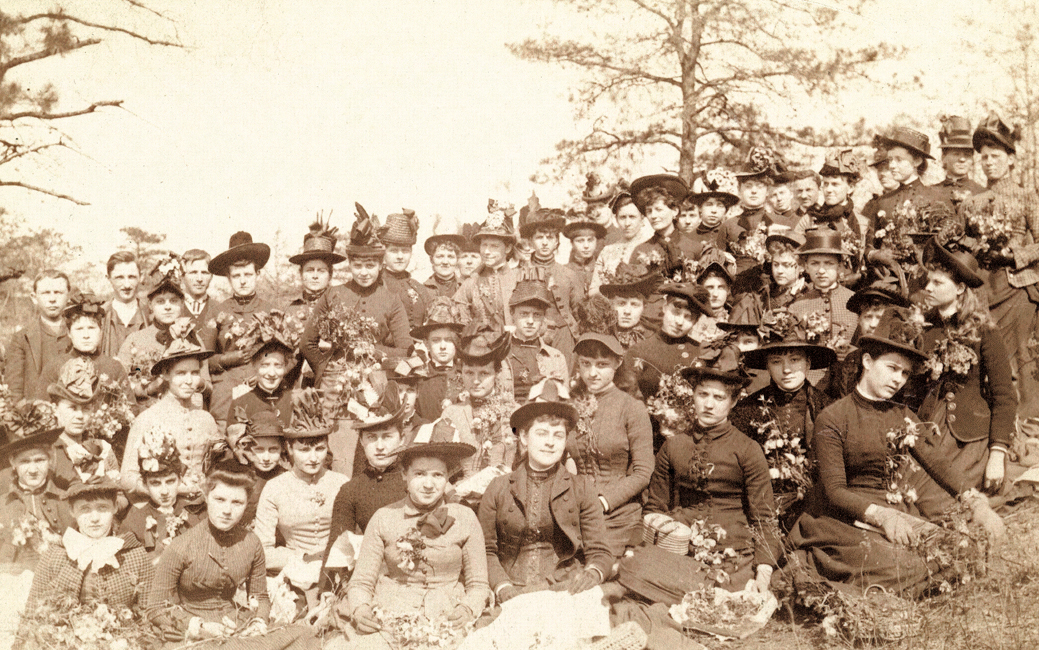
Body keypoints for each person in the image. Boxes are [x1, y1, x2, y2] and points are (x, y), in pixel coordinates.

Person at [787, 307, 1005, 594]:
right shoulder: (834, 417)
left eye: (904, 373)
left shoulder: (902, 415)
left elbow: (937, 462)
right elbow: (835, 490)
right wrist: (881, 516)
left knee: (961, 550)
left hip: (894, 512)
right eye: (891, 368)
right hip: (841, 520)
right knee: (904, 563)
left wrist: (974, 501)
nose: (898, 379)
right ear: (867, 361)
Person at [617, 348, 780, 605]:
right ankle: (708, 595)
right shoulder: (674, 446)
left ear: (733, 402)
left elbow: (764, 516)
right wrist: (632, 547)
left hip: (732, 552)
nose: (709, 403)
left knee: (730, 579)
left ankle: (705, 592)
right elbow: (656, 507)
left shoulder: (748, 449)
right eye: (702, 394)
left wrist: (764, 570)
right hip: (680, 548)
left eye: (719, 397)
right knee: (632, 566)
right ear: (692, 395)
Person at [145, 451, 316, 646]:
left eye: (237, 502)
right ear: (207, 497)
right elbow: (156, 608)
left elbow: (259, 596)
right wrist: (199, 628)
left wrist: (259, 621)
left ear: (246, 504)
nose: (227, 511)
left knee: (305, 635)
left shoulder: (251, 543)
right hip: (193, 632)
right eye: (220, 500)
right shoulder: (181, 546)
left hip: (235, 624)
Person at [334, 441, 489, 648]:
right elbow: (362, 581)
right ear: (404, 475)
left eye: (437, 475)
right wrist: (361, 609)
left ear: (447, 478)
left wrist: (467, 609)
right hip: (391, 614)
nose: (428, 484)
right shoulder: (384, 518)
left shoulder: (465, 517)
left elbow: (478, 584)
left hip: (448, 613)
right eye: (419, 474)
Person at [905, 240, 1016, 516]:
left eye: (938, 283)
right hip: (930, 430)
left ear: (960, 288)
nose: (927, 288)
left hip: (970, 437)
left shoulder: (984, 331)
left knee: (943, 502)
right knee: (913, 497)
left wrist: (997, 454)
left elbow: (1005, 396)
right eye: (928, 281)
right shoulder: (921, 329)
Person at [479, 378, 614, 602]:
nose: (550, 443)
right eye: (541, 433)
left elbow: (600, 550)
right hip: (512, 588)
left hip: (565, 587)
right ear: (524, 437)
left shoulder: (581, 488)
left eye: (558, 435)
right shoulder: (499, 488)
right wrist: (502, 586)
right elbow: (486, 550)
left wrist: (592, 573)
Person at [962, 112, 1039, 438]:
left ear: (1010, 159)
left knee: (1021, 357)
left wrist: (1013, 255)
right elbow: (961, 245)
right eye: (984, 158)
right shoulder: (971, 201)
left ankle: (1028, 428)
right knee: (987, 357)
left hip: (1017, 287)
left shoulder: (1026, 196)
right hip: (982, 290)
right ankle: (994, 428)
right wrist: (974, 247)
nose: (989, 163)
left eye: (996, 157)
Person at [729, 311, 836, 529]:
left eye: (795, 360)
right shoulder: (746, 410)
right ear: (767, 367)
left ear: (808, 364)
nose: (786, 370)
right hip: (759, 504)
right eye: (777, 362)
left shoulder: (829, 408)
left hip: (814, 507)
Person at [254, 387, 348, 608]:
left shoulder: (342, 482)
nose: (314, 458)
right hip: (294, 573)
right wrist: (298, 561)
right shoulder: (275, 487)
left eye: (320, 448)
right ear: (289, 449)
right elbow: (262, 550)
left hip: (339, 570)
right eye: (304, 450)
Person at [301, 207, 413, 390]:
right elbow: (307, 343)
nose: (363, 272)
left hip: (376, 381)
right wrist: (326, 369)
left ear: (379, 266)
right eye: (357, 265)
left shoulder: (391, 299)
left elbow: (405, 349)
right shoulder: (333, 294)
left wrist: (373, 351)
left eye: (370, 266)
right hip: (334, 382)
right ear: (350, 265)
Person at [567, 335, 654, 557]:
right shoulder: (570, 404)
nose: (592, 373)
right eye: (585, 363)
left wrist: (605, 501)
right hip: (575, 509)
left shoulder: (632, 408)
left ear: (617, 363)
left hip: (617, 513)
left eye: (602, 365)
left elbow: (643, 472)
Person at [22, 478, 153, 616]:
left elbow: (149, 613)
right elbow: (32, 613)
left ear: (115, 507)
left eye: (103, 508)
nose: (94, 518)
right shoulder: (55, 554)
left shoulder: (135, 554)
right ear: (71, 510)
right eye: (85, 509)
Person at [121, 328, 220, 499]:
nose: (189, 381)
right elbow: (127, 478)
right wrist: (166, 491)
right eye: (181, 373)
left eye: (195, 373)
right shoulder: (147, 418)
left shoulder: (206, 419)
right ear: (166, 374)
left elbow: (217, 468)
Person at [0, 411, 69, 647]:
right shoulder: (2, 504)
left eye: (39, 460)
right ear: (13, 464)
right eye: (25, 461)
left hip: (58, 588)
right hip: (10, 592)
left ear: (50, 460)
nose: (32, 469)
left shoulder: (65, 500)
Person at [201, 232, 277, 427]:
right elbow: (203, 360)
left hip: (263, 392)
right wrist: (228, 359)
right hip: (225, 397)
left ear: (257, 274)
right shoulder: (216, 312)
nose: (242, 281)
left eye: (248, 274)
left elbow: (285, 357)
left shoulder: (271, 311)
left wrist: (262, 374)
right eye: (236, 276)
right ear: (228, 277)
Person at [429, 332, 518, 487]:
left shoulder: (514, 412)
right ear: (461, 373)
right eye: (469, 373)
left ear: (497, 373)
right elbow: (437, 466)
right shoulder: (451, 413)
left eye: (484, 373)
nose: (476, 381)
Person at [118, 266, 205, 409]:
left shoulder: (193, 338)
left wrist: (191, 380)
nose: (167, 307)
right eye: (160, 301)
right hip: (148, 412)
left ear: (182, 304)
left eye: (173, 301)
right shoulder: (135, 340)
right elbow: (123, 386)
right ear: (150, 306)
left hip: (188, 411)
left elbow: (207, 386)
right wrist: (151, 387)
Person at [118, 426, 205, 561]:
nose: (164, 491)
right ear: (145, 484)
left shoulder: (194, 512)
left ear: (180, 480)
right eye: (156, 483)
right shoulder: (135, 518)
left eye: (170, 481)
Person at [37, 291, 133, 408]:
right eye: (79, 329)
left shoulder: (114, 367)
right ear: (69, 333)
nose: (86, 335)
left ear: (101, 331)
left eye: (92, 328)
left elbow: (130, 408)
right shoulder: (54, 366)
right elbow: (42, 409)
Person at [788, 228, 857, 385]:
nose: (821, 270)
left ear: (840, 266)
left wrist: (852, 352)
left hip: (849, 382)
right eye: (814, 263)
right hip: (811, 383)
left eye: (828, 264)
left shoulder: (855, 302)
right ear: (805, 266)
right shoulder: (796, 306)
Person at [517, 207, 585, 362]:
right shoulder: (519, 273)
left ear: (557, 242)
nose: (545, 243)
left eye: (550, 237)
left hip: (563, 336)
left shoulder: (569, 274)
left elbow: (580, 312)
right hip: (531, 335)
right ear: (531, 242)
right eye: (540, 237)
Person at [863, 126, 951, 243]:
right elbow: (869, 245)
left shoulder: (938, 200)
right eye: (890, 160)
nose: (892, 165)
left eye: (899, 159)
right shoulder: (882, 202)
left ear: (917, 161)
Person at [624, 283, 709, 401]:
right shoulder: (639, 352)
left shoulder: (701, 353)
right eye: (676, 313)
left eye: (688, 317)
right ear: (664, 307)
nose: (679, 322)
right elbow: (626, 400)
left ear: (695, 321)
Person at [287, 217, 344, 390]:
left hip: (331, 382)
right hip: (294, 383)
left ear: (330, 275)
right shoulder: (290, 310)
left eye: (321, 271)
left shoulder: (341, 307)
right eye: (309, 270)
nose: (315, 276)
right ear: (301, 273)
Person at [46, 358, 119, 491]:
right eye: (72, 408)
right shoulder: (50, 453)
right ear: (55, 409)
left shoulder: (103, 449)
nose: (79, 416)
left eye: (85, 409)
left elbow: (120, 496)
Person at [452, 201, 521, 337]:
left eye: (494, 246)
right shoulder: (471, 282)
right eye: (484, 245)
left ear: (507, 248)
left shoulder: (520, 278)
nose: (487, 251)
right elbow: (460, 320)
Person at [6, 269, 70, 402]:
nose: (52, 299)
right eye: (46, 293)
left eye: (58, 292)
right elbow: (14, 391)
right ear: (34, 298)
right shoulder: (22, 338)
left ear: (68, 296)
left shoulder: (81, 333)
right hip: (37, 416)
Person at [500, 281, 569, 403]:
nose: (530, 321)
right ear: (512, 313)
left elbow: (563, 401)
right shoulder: (499, 354)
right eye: (524, 314)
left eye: (537, 315)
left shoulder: (556, 357)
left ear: (543, 318)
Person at [719, 149, 781, 274]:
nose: (754, 191)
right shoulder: (728, 226)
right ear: (739, 189)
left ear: (768, 191)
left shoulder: (779, 222)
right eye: (748, 186)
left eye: (759, 186)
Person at [630, 174, 703, 271]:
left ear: (675, 211)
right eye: (649, 211)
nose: (653, 216)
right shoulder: (640, 251)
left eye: (659, 209)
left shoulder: (695, 247)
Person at [228, 409, 287, 527]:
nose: (266, 458)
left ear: (282, 448)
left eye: (273, 449)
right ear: (247, 448)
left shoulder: (287, 479)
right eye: (259, 450)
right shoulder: (239, 477)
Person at [589, 190, 652, 295]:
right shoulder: (607, 251)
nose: (627, 223)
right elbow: (593, 290)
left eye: (632, 217)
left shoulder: (653, 248)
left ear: (642, 218)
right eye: (622, 217)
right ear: (616, 220)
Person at [412, 298, 465, 421]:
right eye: (436, 340)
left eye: (448, 340)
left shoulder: (466, 375)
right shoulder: (416, 377)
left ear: (457, 342)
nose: (442, 346)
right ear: (426, 344)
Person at [380, 210, 433, 330]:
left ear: (411, 253)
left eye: (405, 251)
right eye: (393, 251)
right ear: (384, 253)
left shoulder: (418, 287)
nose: (400, 256)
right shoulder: (377, 284)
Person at [795, 149, 864, 240]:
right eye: (826, 184)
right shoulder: (809, 219)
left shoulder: (862, 223)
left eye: (835, 184)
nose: (828, 190)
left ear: (850, 188)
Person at [228, 336, 295, 427]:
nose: (271, 373)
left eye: (278, 366)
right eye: (265, 365)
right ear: (255, 366)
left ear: (285, 368)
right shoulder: (241, 404)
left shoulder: (294, 401)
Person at [100, 251, 149, 358]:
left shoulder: (150, 313)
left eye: (131, 277)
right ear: (109, 279)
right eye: (119, 278)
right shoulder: (99, 315)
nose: (126, 285)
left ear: (141, 277)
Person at [599, 263, 657, 350]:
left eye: (634, 305)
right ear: (611, 305)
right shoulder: (600, 335)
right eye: (621, 303)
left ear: (644, 307)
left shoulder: (652, 338)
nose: (627, 311)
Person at [936, 115, 986, 205]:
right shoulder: (932, 192)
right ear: (943, 157)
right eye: (956, 154)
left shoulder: (981, 193)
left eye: (967, 155)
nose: (962, 159)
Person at [685, 168, 740, 250]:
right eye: (709, 205)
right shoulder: (688, 238)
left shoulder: (732, 237)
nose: (714, 211)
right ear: (700, 207)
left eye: (720, 205)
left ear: (726, 210)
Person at [423, 218, 467, 299]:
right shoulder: (423, 290)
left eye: (450, 256)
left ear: (457, 259)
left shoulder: (466, 288)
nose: (445, 262)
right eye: (440, 256)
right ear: (431, 260)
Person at [563, 213, 607, 293]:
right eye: (580, 241)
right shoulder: (563, 271)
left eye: (590, 240)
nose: (586, 246)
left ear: (596, 242)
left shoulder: (604, 270)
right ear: (572, 243)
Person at [180, 249, 215, 326]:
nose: (199, 279)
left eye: (204, 273)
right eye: (193, 272)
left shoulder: (219, 308)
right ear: (182, 276)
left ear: (211, 276)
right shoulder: (174, 308)